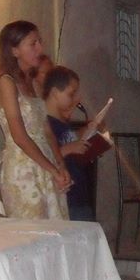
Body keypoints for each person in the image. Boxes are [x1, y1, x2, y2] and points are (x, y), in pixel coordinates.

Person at [0, 20, 70, 219]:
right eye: (33, 43)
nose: (40, 48)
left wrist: (60, 165)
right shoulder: (6, 83)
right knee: (33, 229)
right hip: (23, 167)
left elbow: (47, 131)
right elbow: (19, 136)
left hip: (46, 162)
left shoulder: (33, 84)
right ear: (14, 50)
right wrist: (52, 169)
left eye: (39, 42)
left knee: (56, 227)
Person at [44, 66, 97, 222]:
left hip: (79, 190)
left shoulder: (62, 122)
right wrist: (68, 149)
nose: (74, 98)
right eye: (70, 94)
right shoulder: (46, 123)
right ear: (55, 92)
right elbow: (45, 155)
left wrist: (89, 133)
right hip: (66, 193)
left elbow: (70, 140)